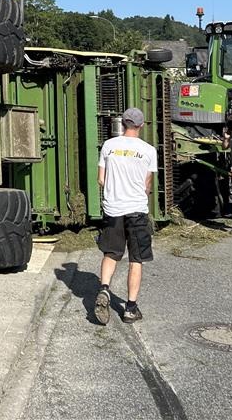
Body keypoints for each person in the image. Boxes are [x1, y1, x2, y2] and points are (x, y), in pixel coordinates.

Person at [93, 107, 158, 325]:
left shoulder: (109, 146)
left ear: (123, 124)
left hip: (113, 209)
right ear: (141, 125)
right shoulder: (149, 151)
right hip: (137, 210)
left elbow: (101, 179)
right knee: (136, 259)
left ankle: (104, 289)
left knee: (111, 253)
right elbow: (147, 184)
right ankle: (130, 309)